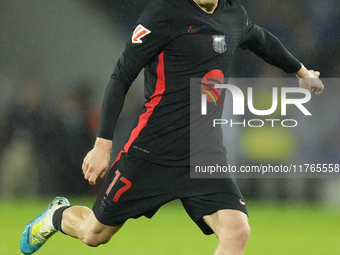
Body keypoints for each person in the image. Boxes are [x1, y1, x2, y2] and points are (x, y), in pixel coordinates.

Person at [20, 0, 324, 254]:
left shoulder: (233, 13)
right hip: (151, 150)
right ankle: (55, 216)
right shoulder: (163, 14)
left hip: (203, 154)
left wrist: (300, 71)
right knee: (94, 234)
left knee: (236, 230)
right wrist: (103, 143)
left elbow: (260, 39)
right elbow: (121, 76)